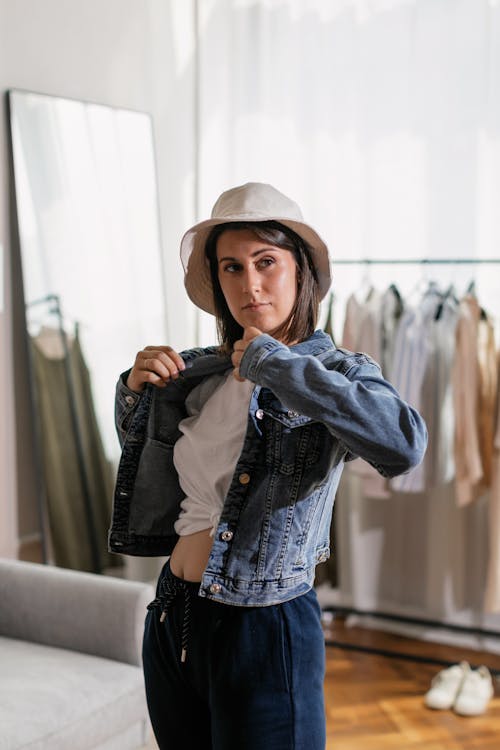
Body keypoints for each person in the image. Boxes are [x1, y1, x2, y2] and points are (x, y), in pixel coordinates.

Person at [108, 182, 427, 750]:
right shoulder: (201, 374)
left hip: (264, 625)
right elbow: (164, 472)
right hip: (173, 615)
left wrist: (279, 368)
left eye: (266, 262)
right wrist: (133, 394)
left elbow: (403, 445)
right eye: (231, 267)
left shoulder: (338, 371)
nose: (249, 284)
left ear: (300, 270)